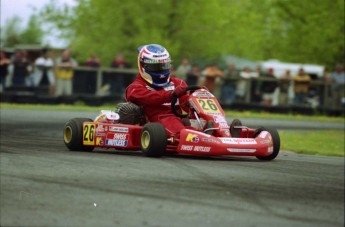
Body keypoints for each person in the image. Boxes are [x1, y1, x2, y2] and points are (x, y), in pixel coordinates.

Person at [125, 44, 191, 136]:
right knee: (174, 124)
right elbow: (151, 98)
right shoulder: (135, 88)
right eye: (156, 67)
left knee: (199, 120)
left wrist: (198, 97)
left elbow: (187, 107)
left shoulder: (178, 84)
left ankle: (211, 132)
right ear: (144, 66)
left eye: (164, 66)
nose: (161, 70)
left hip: (180, 121)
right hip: (156, 125)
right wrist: (171, 94)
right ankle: (192, 137)